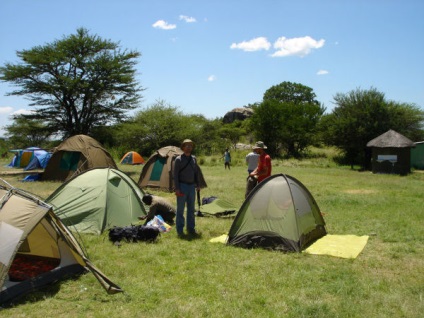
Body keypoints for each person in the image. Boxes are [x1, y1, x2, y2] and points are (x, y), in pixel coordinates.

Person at [173, 139, 201, 237]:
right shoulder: (178, 159)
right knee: (180, 210)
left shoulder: (194, 158)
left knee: (191, 209)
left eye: (190, 146)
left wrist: (198, 184)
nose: (189, 147)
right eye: (187, 146)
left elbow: (196, 172)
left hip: (191, 187)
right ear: (183, 147)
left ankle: (191, 229)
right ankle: (180, 230)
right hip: (182, 186)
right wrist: (177, 188)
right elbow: (175, 175)